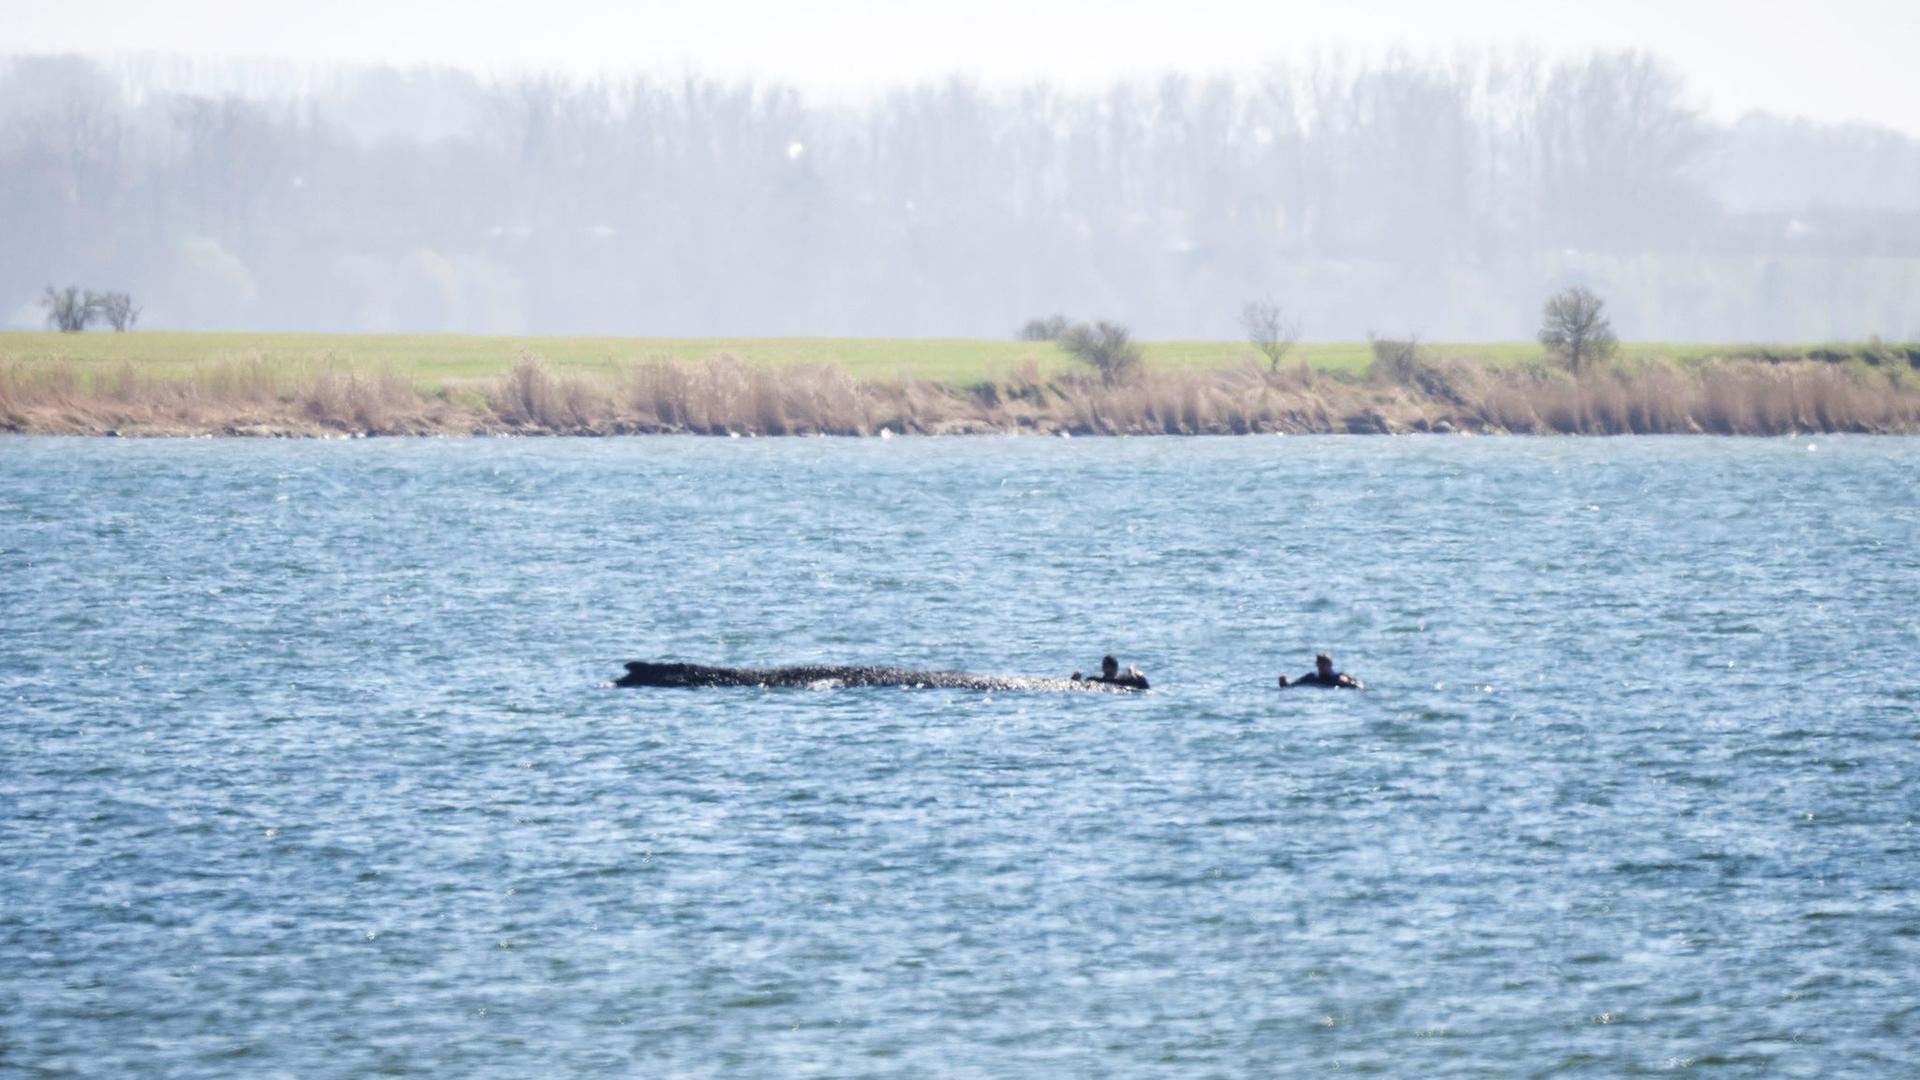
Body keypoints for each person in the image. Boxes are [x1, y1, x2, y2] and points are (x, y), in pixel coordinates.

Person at [1280, 653, 1362, 689]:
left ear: (1330, 665)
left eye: (1324, 664)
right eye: (1319, 664)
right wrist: (1283, 681)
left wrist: (1349, 683)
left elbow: (1359, 685)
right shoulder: (1311, 677)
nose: (1321, 667)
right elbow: (1289, 686)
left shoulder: (1339, 677)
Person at [1076, 654, 1149, 689]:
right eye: (1106, 666)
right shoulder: (1095, 680)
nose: (1108, 669)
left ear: (1115, 668)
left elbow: (1145, 688)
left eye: (1110, 667)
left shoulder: (1125, 679)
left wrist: (1139, 675)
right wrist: (1076, 679)